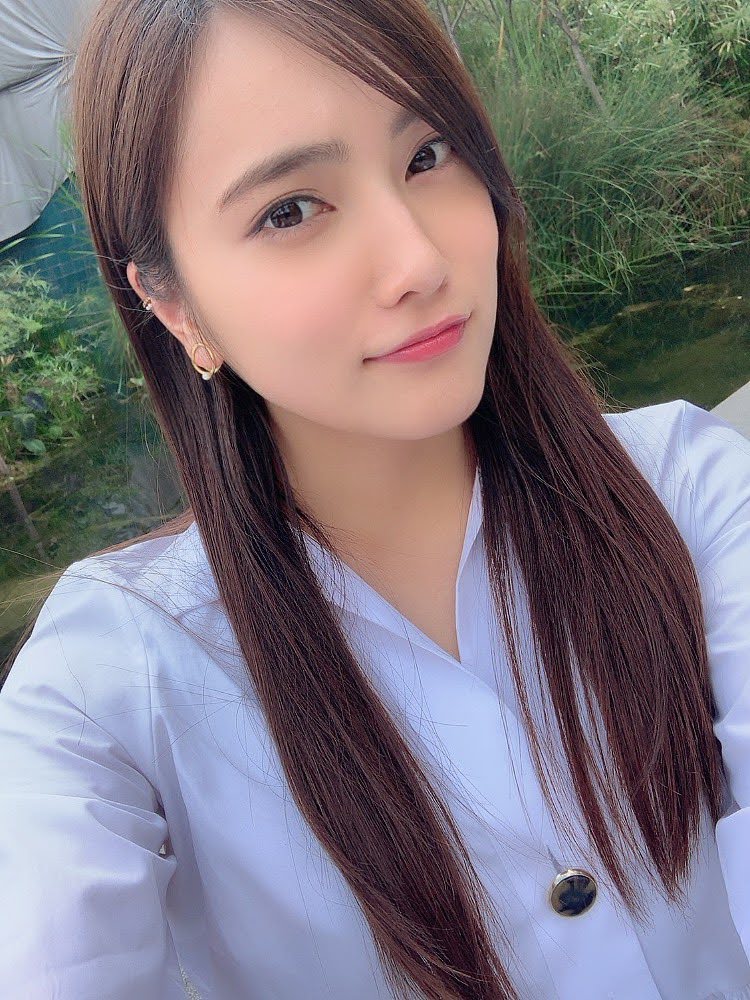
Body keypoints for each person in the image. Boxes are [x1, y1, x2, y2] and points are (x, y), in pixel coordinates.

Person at [0, 1, 749, 997]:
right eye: (290, 211)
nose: (419, 262)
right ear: (174, 305)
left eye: (427, 155)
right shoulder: (106, 686)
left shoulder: (689, 489)